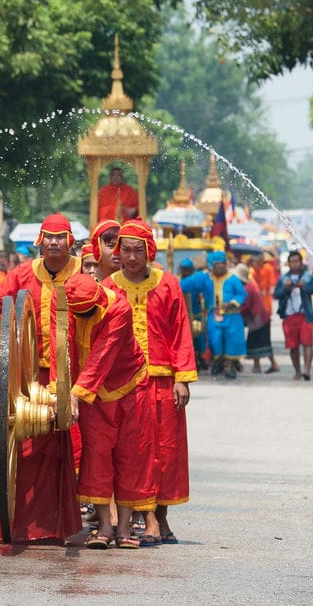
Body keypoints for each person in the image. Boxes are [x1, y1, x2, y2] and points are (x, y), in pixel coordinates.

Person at [0, 213, 81, 540]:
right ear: (40, 240)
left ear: (70, 241)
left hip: (73, 374)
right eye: (49, 237)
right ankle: (33, 524)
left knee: (72, 446)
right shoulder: (23, 273)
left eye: (60, 237)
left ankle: (73, 520)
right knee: (30, 444)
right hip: (26, 375)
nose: (54, 243)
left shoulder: (83, 274)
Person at [104, 220, 195, 546]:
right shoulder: (110, 287)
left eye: (137, 250)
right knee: (133, 452)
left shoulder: (168, 285)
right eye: (125, 250)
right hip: (124, 385)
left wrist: (182, 378)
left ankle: (162, 516)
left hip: (162, 381)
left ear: (148, 251)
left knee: (166, 452)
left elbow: (180, 331)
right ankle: (148, 519)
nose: (131, 257)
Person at [62, 274, 156, 550]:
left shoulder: (119, 308)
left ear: (98, 299)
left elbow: (104, 353)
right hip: (91, 393)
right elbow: (63, 349)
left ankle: (125, 528)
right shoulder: (67, 309)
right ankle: (104, 526)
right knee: (97, 456)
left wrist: (76, 393)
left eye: (88, 311)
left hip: (130, 387)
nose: (84, 317)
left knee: (131, 455)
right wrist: (62, 391)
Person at [273, 250, 313, 381]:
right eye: (291, 262)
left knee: (307, 343)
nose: (294, 264)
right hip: (289, 315)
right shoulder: (283, 278)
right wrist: (286, 288)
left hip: (306, 314)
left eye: (296, 261)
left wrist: (305, 287)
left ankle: (307, 371)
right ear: (288, 263)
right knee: (293, 346)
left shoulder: (308, 277)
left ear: (300, 262)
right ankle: (297, 371)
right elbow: (276, 294)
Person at [206, 251, 246, 379]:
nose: (222, 266)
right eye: (219, 264)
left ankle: (229, 367)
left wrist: (231, 303)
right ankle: (218, 363)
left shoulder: (233, 278)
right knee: (215, 340)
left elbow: (242, 294)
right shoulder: (206, 277)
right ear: (213, 265)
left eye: (223, 263)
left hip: (232, 316)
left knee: (232, 341)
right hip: (214, 316)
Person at [234, 263, 279, 374]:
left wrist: (235, 310)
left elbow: (245, 306)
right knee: (264, 342)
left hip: (258, 319)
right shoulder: (248, 286)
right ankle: (271, 364)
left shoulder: (247, 288)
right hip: (261, 318)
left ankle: (258, 366)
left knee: (255, 342)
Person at [179, 257, 213, 372]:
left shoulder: (196, 282)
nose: (186, 272)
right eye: (184, 269)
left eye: (188, 269)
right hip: (181, 317)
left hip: (196, 315)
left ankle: (200, 359)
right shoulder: (177, 282)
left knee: (198, 339)